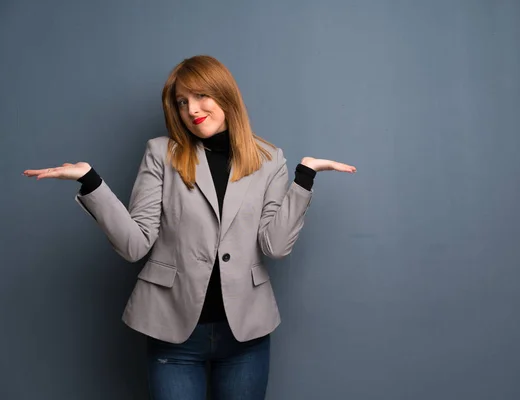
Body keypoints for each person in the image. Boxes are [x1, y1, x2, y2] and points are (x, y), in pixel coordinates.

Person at [23, 55, 356, 400]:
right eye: (182, 102)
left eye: (200, 96)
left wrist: (304, 179)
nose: (191, 109)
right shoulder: (161, 153)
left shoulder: (269, 159)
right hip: (172, 328)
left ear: (224, 95)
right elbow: (134, 245)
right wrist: (91, 182)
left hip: (245, 334)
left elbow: (275, 246)